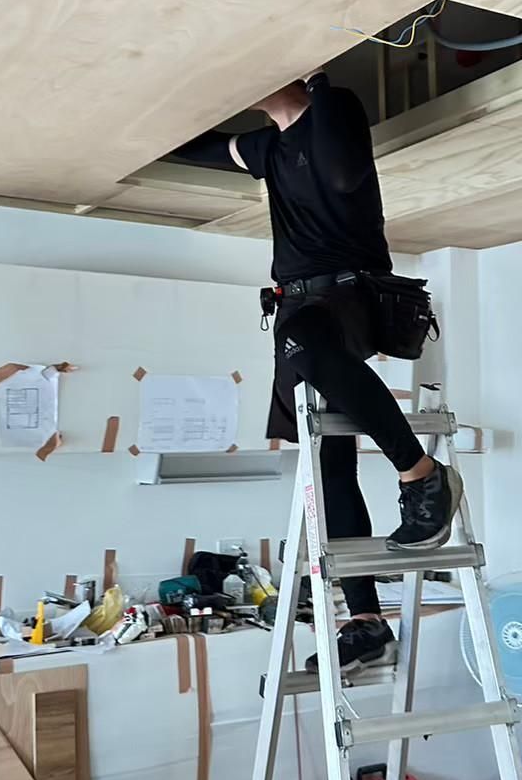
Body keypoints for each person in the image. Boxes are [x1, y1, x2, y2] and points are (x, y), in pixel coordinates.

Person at [171, 72, 464, 672]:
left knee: (307, 351)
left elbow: (339, 172)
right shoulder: (266, 147)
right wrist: (151, 128)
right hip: (298, 304)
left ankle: (422, 474)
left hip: (348, 295)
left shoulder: (336, 107)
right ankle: (366, 621)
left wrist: (309, 91)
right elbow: (200, 149)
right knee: (328, 462)